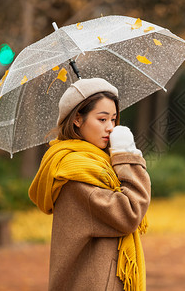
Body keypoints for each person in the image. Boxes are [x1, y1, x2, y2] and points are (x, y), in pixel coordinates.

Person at [28, 78, 151, 291]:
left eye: (113, 119)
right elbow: (130, 212)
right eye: (102, 119)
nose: (111, 128)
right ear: (77, 119)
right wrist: (128, 158)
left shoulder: (95, 162)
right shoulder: (76, 172)